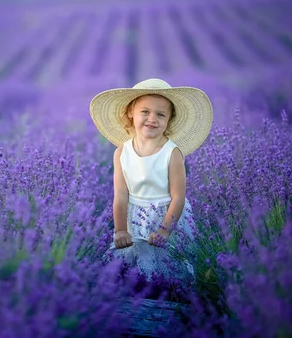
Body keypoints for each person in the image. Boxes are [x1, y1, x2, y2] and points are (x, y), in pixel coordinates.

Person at [89, 78, 213, 282]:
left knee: (169, 268)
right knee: (134, 265)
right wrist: (120, 230)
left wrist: (164, 231)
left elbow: (178, 198)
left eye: (160, 114)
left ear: (169, 120)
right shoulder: (121, 152)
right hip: (134, 216)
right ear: (131, 112)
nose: (152, 119)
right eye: (145, 112)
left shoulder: (171, 153)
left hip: (167, 217)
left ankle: (172, 297)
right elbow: (120, 195)